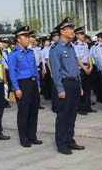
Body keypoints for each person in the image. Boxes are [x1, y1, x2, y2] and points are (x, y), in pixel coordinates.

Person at [49, 17, 86, 155]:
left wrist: (80, 85)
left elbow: (75, 68)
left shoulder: (71, 47)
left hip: (75, 83)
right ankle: (61, 143)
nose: (72, 31)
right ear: (62, 31)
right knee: (63, 115)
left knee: (72, 114)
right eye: (69, 29)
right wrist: (60, 89)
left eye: (72, 28)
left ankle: (70, 139)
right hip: (65, 84)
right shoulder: (56, 49)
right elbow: (56, 71)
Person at [8, 26, 42, 148]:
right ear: (18, 39)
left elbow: (35, 70)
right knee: (24, 112)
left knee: (34, 111)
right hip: (23, 84)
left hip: (33, 83)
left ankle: (33, 136)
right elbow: (12, 72)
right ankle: (24, 138)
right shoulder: (13, 54)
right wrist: (16, 88)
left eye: (28, 37)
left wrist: (38, 84)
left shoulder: (31, 52)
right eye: (25, 37)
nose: (28, 39)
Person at [74, 27, 95, 115]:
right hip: (81, 69)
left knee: (88, 88)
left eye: (83, 34)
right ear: (77, 35)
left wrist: (90, 66)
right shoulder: (75, 45)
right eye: (81, 34)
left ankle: (88, 106)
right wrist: (84, 68)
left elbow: (89, 56)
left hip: (87, 67)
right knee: (81, 88)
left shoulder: (86, 44)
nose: (83, 36)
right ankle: (81, 108)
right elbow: (78, 59)